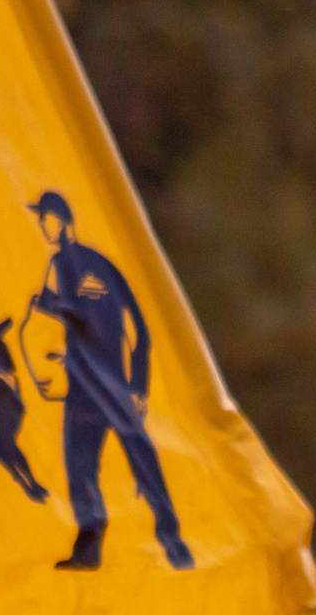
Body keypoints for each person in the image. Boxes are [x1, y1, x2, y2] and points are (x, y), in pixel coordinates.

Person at [24, 190, 192, 571]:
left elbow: (137, 329)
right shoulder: (89, 265)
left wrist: (138, 388)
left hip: (106, 385)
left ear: (65, 221)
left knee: (135, 459)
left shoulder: (76, 264)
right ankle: (93, 547)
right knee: (84, 465)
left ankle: (172, 542)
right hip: (88, 387)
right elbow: (53, 318)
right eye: (40, 218)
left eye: (47, 217)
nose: (42, 224)